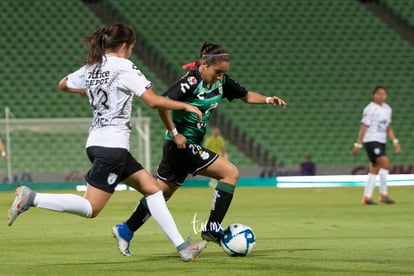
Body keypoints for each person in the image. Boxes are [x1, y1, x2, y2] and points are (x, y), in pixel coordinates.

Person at [7, 23, 207, 262]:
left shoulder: (92, 67)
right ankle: (32, 198)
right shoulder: (124, 67)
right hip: (112, 146)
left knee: (153, 189)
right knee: (91, 208)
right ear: (125, 46)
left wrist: (88, 91)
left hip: (99, 143)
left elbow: (63, 84)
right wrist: (185, 105)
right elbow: (153, 101)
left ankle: (183, 247)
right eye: (132, 47)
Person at [112, 41, 287, 256]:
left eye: (223, 72)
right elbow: (161, 103)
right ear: (203, 64)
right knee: (230, 173)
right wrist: (176, 133)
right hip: (181, 146)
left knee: (159, 194)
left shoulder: (221, 83)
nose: (220, 76)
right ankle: (212, 229)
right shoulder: (190, 82)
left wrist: (269, 99)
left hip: (181, 148)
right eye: (217, 71)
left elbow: (247, 95)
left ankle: (126, 229)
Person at [352, 86, 401, 205]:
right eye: (379, 94)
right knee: (385, 163)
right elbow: (364, 127)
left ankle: (367, 197)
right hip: (371, 140)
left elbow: (388, 127)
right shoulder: (370, 109)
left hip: (381, 141)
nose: (381, 96)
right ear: (374, 95)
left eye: (383, 94)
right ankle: (383, 194)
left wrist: (395, 141)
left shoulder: (387, 109)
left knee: (374, 168)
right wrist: (358, 144)